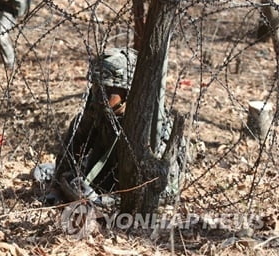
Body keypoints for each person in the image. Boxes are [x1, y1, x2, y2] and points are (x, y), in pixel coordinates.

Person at [50, 47, 183, 205]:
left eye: (107, 90)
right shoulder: (96, 113)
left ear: (128, 92)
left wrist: (107, 201)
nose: (99, 95)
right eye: (96, 87)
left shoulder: (153, 127)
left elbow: (166, 192)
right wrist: (64, 186)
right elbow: (68, 158)